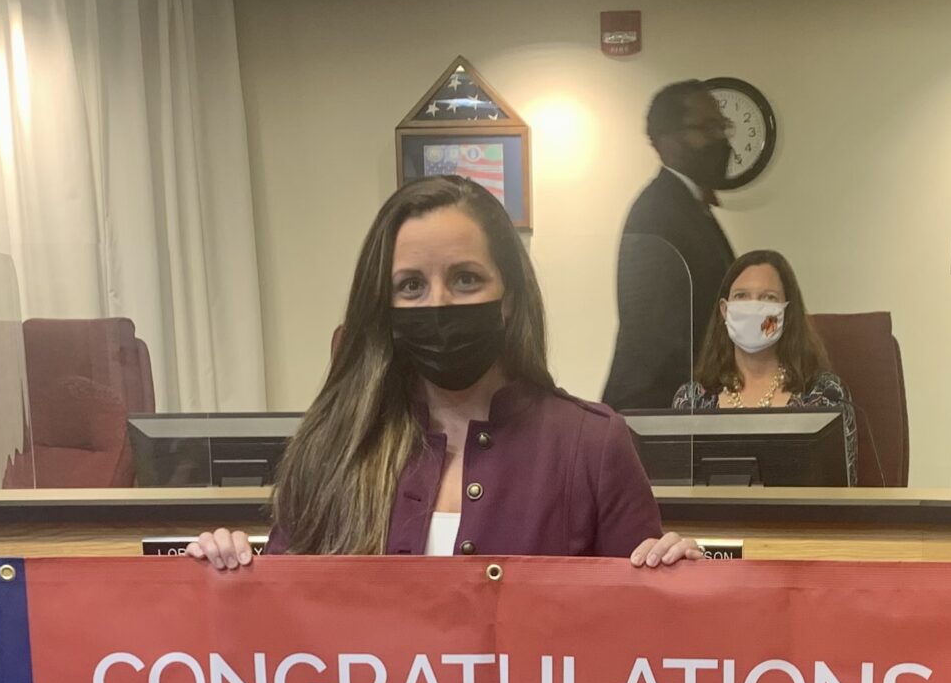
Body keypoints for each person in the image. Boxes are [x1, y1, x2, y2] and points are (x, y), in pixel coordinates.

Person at [189, 176, 698, 569]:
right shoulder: (334, 447)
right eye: (411, 286)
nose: (439, 302)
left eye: (466, 278)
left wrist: (683, 581)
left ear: (508, 299)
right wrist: (230, 571)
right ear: (383, 307)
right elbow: (283, 634)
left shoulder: (592, 444)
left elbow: (641, 646)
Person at [600, 80, 735, 413]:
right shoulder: (655, 214)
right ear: (667, 142)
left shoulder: (689, 207)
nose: (721, 139)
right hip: (656, 412)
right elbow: (655, 334)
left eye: (722, 126)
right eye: (708, 128)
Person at [673, 249, 858, 485]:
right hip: (712, 522)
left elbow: (843, 494)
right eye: (742, 296)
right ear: (724, 310)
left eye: (768, 298)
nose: (753, 307)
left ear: (786, 312)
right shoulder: (691, 400)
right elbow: (678, 495)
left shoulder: (825, 395)